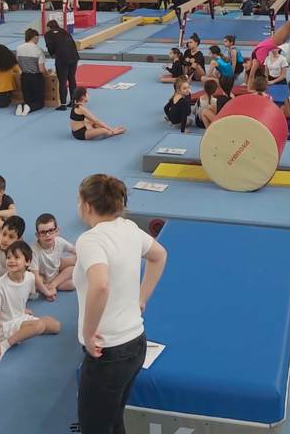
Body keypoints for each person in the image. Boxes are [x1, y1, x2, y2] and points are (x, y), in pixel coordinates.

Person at [74, 174, 167, 434]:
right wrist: (141, 298)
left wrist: (88, 333)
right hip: (136, 344)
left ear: (87, 205)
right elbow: (159, 255)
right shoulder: (129, 228)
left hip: (107, 353)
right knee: (114, 420)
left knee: (94, 427)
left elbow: (100, 284)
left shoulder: (90, 240)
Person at [0, 241, 61, 364]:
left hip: (20, 317)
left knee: (56, 326)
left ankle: (24, 333)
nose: (11, 260)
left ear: (27, 262)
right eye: (9, 257)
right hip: (5, 326)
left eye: (16, 257)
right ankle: (5, 344)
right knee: (39, 325)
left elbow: (20, 297)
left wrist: (23, 309)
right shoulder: (0, 286)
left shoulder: (30, 277)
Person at [247, 0, 290, 89]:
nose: (246, 64)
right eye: (247, 65)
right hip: (274, 41)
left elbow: (254, 74)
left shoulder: (256, 58)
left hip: (275, 43)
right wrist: (250, 89)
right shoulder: (256, 61)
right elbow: (251, 75)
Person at [32, 213, 77, 293]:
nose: (47, 235)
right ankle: (49, 286)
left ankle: (52, 285)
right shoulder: (34, 250)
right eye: (43, 232)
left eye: (51, 231)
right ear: (37, 235)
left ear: (57, 231)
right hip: (43, 277)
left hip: (56, 269)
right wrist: (47, 292)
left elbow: (76, 250)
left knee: (75, 265)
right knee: (34, 281)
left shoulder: (59, 241)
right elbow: (35, 275)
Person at [45, 19, 80, 111]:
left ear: (48, 27)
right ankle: (73, 101)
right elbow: (73, 43)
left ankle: (63, 104)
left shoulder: (48, 34)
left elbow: (50, 46)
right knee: (72, 79)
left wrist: (52, 54)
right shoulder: (64, 31)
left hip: (62, 58)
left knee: (62, 81)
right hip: (74, 56)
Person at [16, 28, 49, 115]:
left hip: (24, 76)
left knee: (28, 99)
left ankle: (22, 106)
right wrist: (47, 74)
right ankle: (29, 108)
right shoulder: (38, 50)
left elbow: (18, 63)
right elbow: (41, 69)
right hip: (35, 78)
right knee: (39, 103)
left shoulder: (19, 48)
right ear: (35, 37)